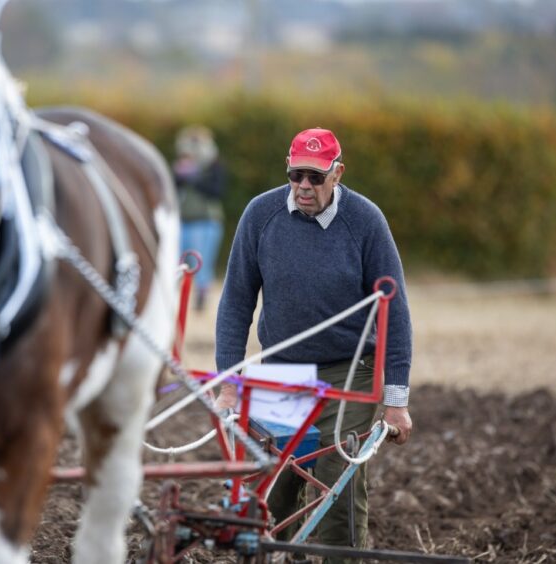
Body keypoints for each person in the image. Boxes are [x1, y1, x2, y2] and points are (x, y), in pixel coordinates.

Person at [213, 128, 413, 560]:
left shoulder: (365, 221)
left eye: (315, 177)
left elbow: (394, 312)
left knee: (338, 479)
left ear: (337, 174)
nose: (304, 186)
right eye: (296, 174)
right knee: (272, 487)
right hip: (281, 368)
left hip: (350, 370)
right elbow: (235, 304)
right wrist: (228, 383)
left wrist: (396, 399)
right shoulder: (260, 215)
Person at [173, 125, 227, 310]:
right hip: (182, 222)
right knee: (178, 264)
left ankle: (200, 303)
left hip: (205, 223)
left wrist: (193, 179)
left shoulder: (213, 166)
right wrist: (180, 176)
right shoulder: (181, 164)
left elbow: (216, 192)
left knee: (201, 266)